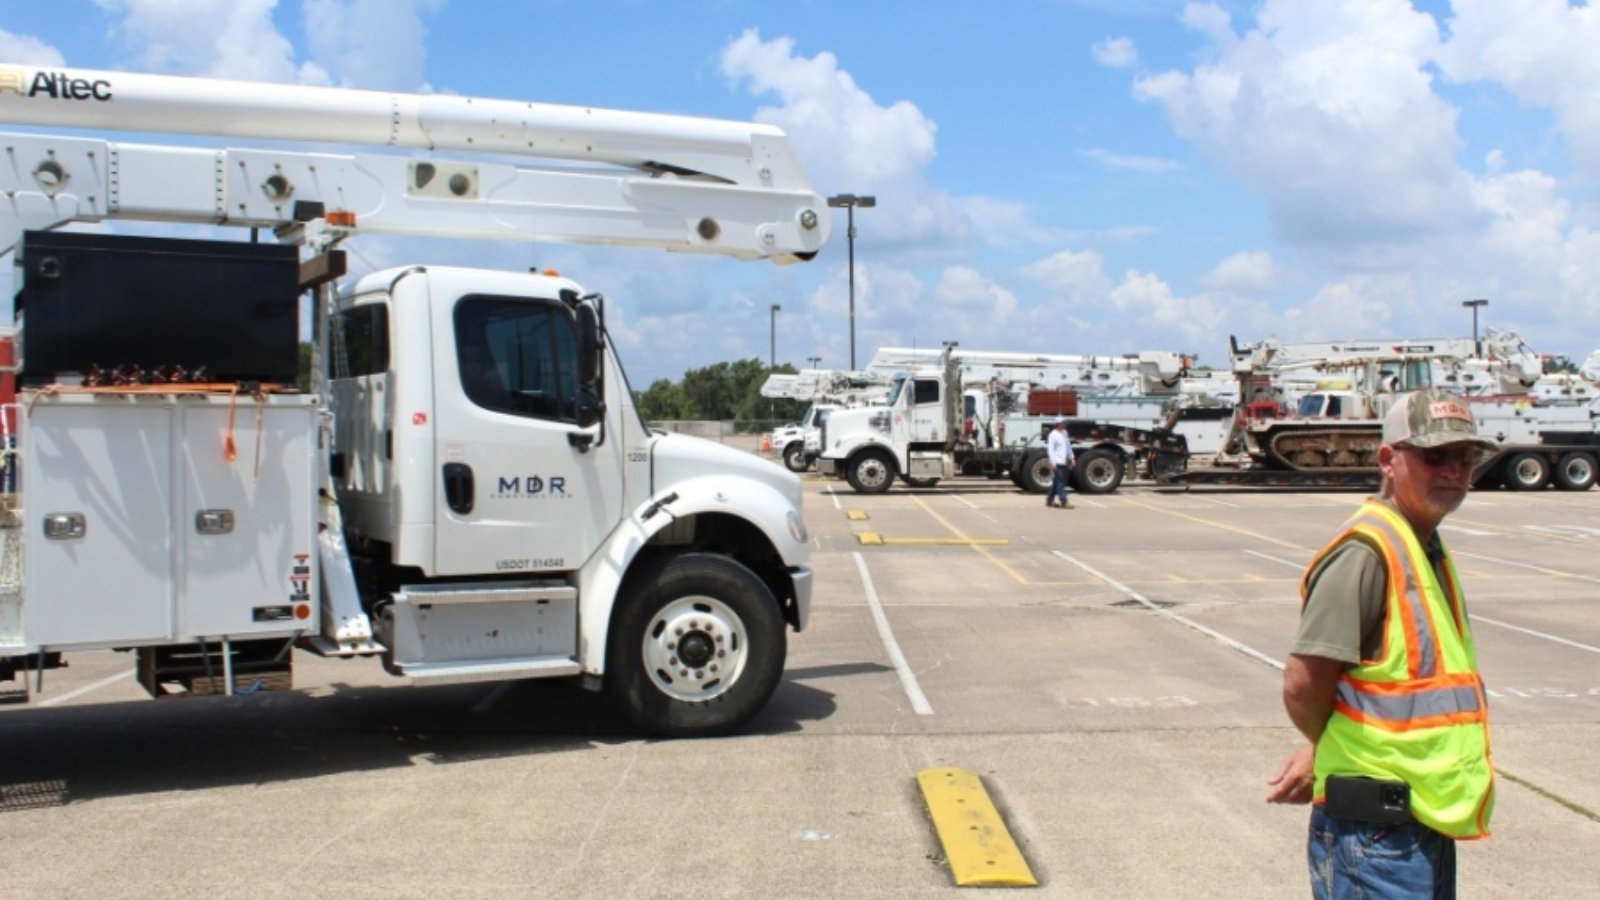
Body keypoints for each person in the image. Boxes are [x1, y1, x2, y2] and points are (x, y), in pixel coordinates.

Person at [1266, 389, 1496, 900]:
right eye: (1436, 456)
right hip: (1377, 834)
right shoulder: (1367, 552)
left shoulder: (1421, 543)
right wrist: (1330, 747)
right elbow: (1304, 684)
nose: (1454, 471)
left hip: (1417, 821)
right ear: (1388, 460)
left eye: (1465, 457)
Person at [1045, 415, 1076, 509]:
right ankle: (1064, 501)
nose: (1066, 424)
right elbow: (1051, 450)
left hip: (1064, 461)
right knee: (1060, 482)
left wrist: (1072, 458)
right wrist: (1053, 462)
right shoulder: (1053, 435)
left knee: (1057, 482)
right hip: (1057, 462)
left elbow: (1068, 446)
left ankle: (1049, 500)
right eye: (1064, 422)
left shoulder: (1065, 433)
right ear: (1059, 424)